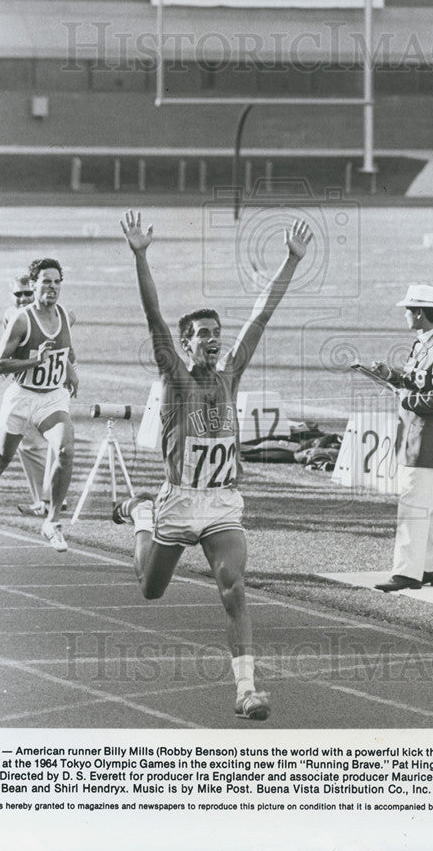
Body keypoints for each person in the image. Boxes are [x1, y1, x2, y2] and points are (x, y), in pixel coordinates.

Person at [115, 209, 312, 721]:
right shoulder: (178, 380)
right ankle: (140, 515)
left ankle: (247, 689)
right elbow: (154, 317)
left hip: (222, 502)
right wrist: (141, 256)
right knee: (150, 589)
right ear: (185, 344)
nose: (212, 338)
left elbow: (261, 316)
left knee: (234, 584)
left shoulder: (231, 375)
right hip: (179, 502)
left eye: (215, 332)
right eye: (202, 333)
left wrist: (290, 261)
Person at [0, 258, 78, 552]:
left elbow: (66, 352)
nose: (52, 287)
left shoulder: (66, 316)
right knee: (3, 457)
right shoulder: (22, 319)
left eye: (57, 281)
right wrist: (34, 360)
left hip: (52, 397)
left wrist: (72, 373)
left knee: (66, 450)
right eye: (46, 281)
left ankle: (52, 522)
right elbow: (0, 364)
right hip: (21, 395)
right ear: (33, 285)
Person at [370, 284, 433, 592]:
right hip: (416, 438)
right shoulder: (424, 344)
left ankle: (407, 573)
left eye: (409, 310)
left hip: (425, 442)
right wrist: (391, 376)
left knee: (412, 506)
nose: (407, 315)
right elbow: (416, 380)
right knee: (429, 508)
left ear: (419, 314)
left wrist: (405, 399)